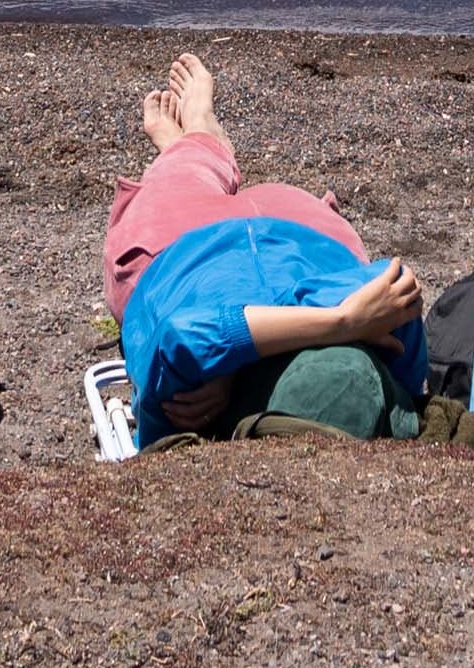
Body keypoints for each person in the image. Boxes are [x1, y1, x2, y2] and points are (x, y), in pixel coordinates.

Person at [105, 52, 431, 443]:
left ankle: (192, 144)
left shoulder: (190, 402)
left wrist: (342, 321)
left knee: (180, 176)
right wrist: (334, 327)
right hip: (302, 233)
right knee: (189, 171)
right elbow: (399, 287)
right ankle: (200, 136)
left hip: (178, 251)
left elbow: (186, 334)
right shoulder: (389, 370)